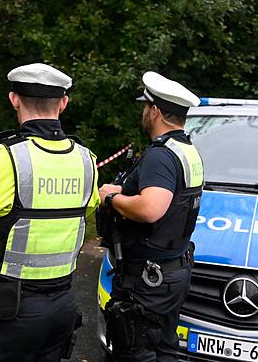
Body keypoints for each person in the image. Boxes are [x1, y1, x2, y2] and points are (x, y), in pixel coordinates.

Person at [0, 63, 101, 362]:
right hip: (62, 306)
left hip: (9, 313)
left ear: (14, 99)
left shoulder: (0, 158)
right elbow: (85, 212)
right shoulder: (86, 160)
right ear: (63, 103)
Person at [98, 71, 204, 362]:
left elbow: (151, 208)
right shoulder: (186, 150)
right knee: (163, 348)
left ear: (155, 111)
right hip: (172, 270)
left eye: (146, 107)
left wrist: (111, 197)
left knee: (135, 351)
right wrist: (125, 189)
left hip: (148, 279)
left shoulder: (160, 155)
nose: (144, 112)